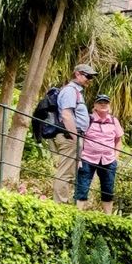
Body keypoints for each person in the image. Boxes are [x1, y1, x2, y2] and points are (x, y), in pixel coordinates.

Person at [51, 62, 94, 203]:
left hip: (72, 136)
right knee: (65, 173)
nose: (90, 79)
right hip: (69, 136)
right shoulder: (70, 90)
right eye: (87, 76)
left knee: (69, 173)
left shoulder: (76, 92)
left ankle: (62, 203)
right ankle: (60, 205)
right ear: (77, 74)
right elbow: (66, 115)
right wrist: (76, 138)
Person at [76, 94, 123, 210]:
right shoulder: (88, 119)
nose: (103, 104)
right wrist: (78, 157)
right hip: (88, 158)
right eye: (100, 102)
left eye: (106, 102)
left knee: (108, 189)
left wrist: (116, 157)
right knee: (82, 187)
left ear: (109, 105)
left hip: (108, 160)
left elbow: (118, 140)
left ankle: (108, 218)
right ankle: (78, 214)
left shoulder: (113, 121)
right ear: (95, 105)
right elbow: (79, 138)